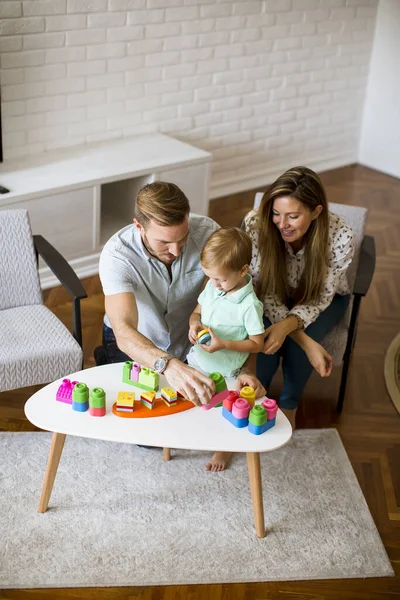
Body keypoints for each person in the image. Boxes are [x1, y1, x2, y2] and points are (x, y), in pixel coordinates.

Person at [98, 181, 264, 471]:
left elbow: (227, 307)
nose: (176, 250)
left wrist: (246, 367)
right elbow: (124, 330)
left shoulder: (208, 232)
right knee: (149, 435)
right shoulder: (116, 255)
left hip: (189, 342)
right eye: (164, 242)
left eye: (183, 239)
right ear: (139, 225)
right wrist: (171, 367)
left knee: (196, 417)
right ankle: (105, 358)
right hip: (137, 342)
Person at [243, 166, 355, 429]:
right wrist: (304, 340)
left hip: (325, 299)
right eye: (276, 213)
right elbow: (264, 291)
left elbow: (319, 299)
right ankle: (255, 397)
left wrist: (290, 332)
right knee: (265, 336)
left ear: (316, 212)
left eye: (293, 216)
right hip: (272, 295)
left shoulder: (340, 235)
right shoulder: (257, 225)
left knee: (293, 343)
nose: (282, 224)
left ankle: (289, 405)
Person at [187, 227, 265, 378]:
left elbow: (257, 344)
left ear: (243, 271)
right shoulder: (212, 287)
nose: (214, 284)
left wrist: (224, 345)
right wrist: (194, 324)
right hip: (197, 362)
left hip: (226, 372)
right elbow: (196, 313)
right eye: (210, 277)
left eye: (221, 279)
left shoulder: (250, 305)